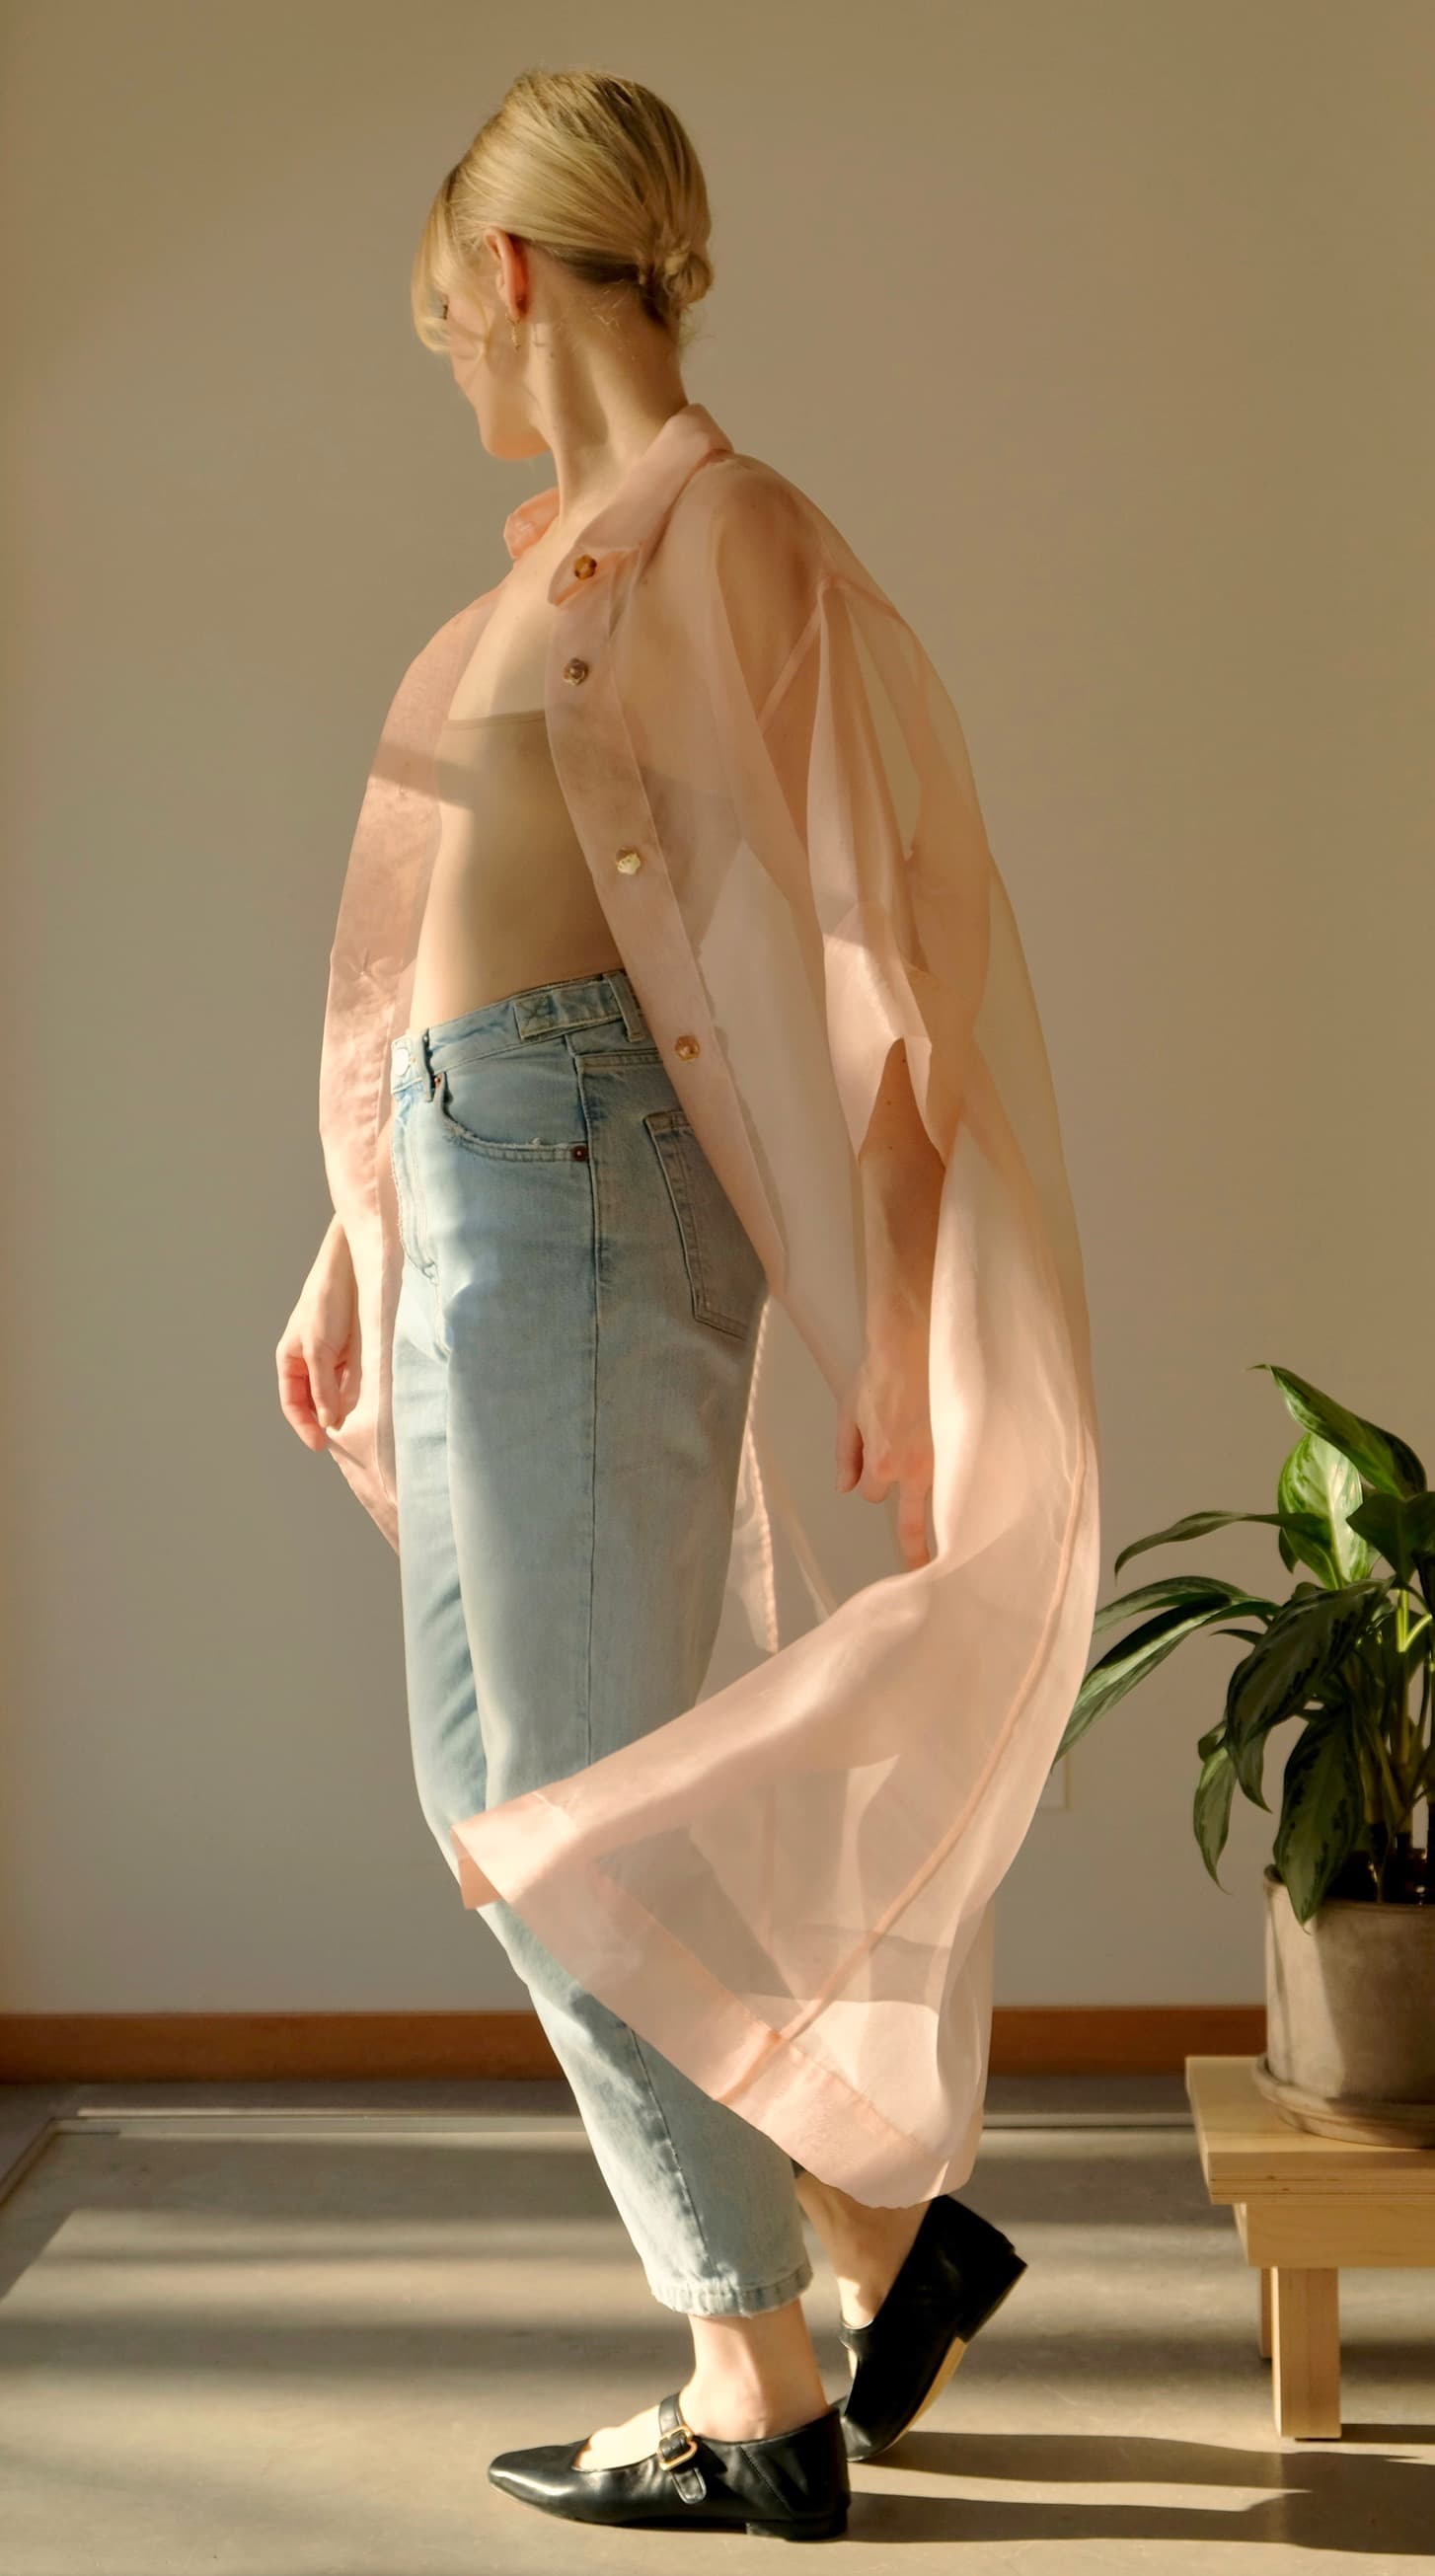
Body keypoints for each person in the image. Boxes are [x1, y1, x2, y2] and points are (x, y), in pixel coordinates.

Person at [277, 65, 1097, 2545]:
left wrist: (898, 1288)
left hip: (587, 1191)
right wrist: (358, 1218)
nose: (453, 372)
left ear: (509, 279)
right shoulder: (544, 573)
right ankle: (868, 2233)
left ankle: (756, 2383)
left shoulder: (725, 535)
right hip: (486, 1189)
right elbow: (451, 938)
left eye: (448, 324)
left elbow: (868, 918)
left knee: (557, 1810)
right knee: (515, 1797)